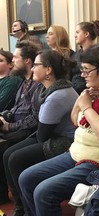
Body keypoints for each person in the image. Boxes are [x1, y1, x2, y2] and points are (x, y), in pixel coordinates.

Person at [18, 43, 99, 216]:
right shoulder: (97, 91)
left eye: (87, 70)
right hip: (78, 152)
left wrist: (87, 108)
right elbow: (75, 121)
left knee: (44, 191)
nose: (83, 75)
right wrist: (82, 101)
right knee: (26, 178)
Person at [3, 49, 79, 216]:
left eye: (36, 65)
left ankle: (28, 209)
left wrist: (11, 128)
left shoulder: (57, 96)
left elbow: (42, 135)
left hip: (64, 142)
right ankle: (21, 206)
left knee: (16, 158)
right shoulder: (50, 89)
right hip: (53, 135)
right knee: (9, 153)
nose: (32, 69)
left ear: (48, 70)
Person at [0, 40, 41, 205]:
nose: (13, 61)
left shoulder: (37, 84)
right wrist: (5, 116)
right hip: (15, 126)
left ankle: (19, 204)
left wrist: (9, 126)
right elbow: (16, 108)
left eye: (16, 57)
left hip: (29, 131)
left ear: (27, 61)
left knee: (6, 151)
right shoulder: (24, 82)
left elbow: (34, 118)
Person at [71, 20, 99, 94]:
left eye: (77, 32)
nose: (75, 35)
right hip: (74, 93)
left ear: (86, 34)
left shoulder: (98, 54)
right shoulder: (75, 55)